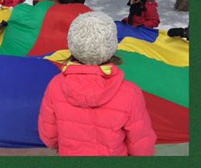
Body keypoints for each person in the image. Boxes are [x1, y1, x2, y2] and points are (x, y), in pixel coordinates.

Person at [38, 11, 157, 155]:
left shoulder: (55, 85)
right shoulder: (130, 93)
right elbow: (141, 145)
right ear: (111, 46)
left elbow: (49, 136)